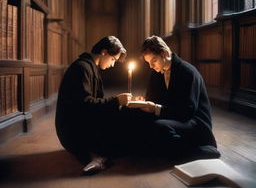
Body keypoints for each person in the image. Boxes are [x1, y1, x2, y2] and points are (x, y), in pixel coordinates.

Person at [125, 35, 220, 159]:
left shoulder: (188, 72)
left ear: (164, 54)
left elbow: (187, 111)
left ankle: (199, 151)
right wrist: (144, 103)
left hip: (194, 122)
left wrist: (154, 108)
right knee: (133, 115)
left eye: (153, 60)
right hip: (172, 116)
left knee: (160, 127)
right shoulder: (156, 73)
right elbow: (153, 101)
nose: (151, 66)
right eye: (148, 63)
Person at [55, 36, 131, 175]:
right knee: (125, 137)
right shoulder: (81, 68)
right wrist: (116, 101)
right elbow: (85, 106)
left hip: (82, 126)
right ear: (104, 52)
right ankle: (97, 157)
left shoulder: (90, 67)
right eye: (113, 59)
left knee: (126, 120)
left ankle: (98, 157)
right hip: (73, 133)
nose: (113, 65)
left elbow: (96, 108)